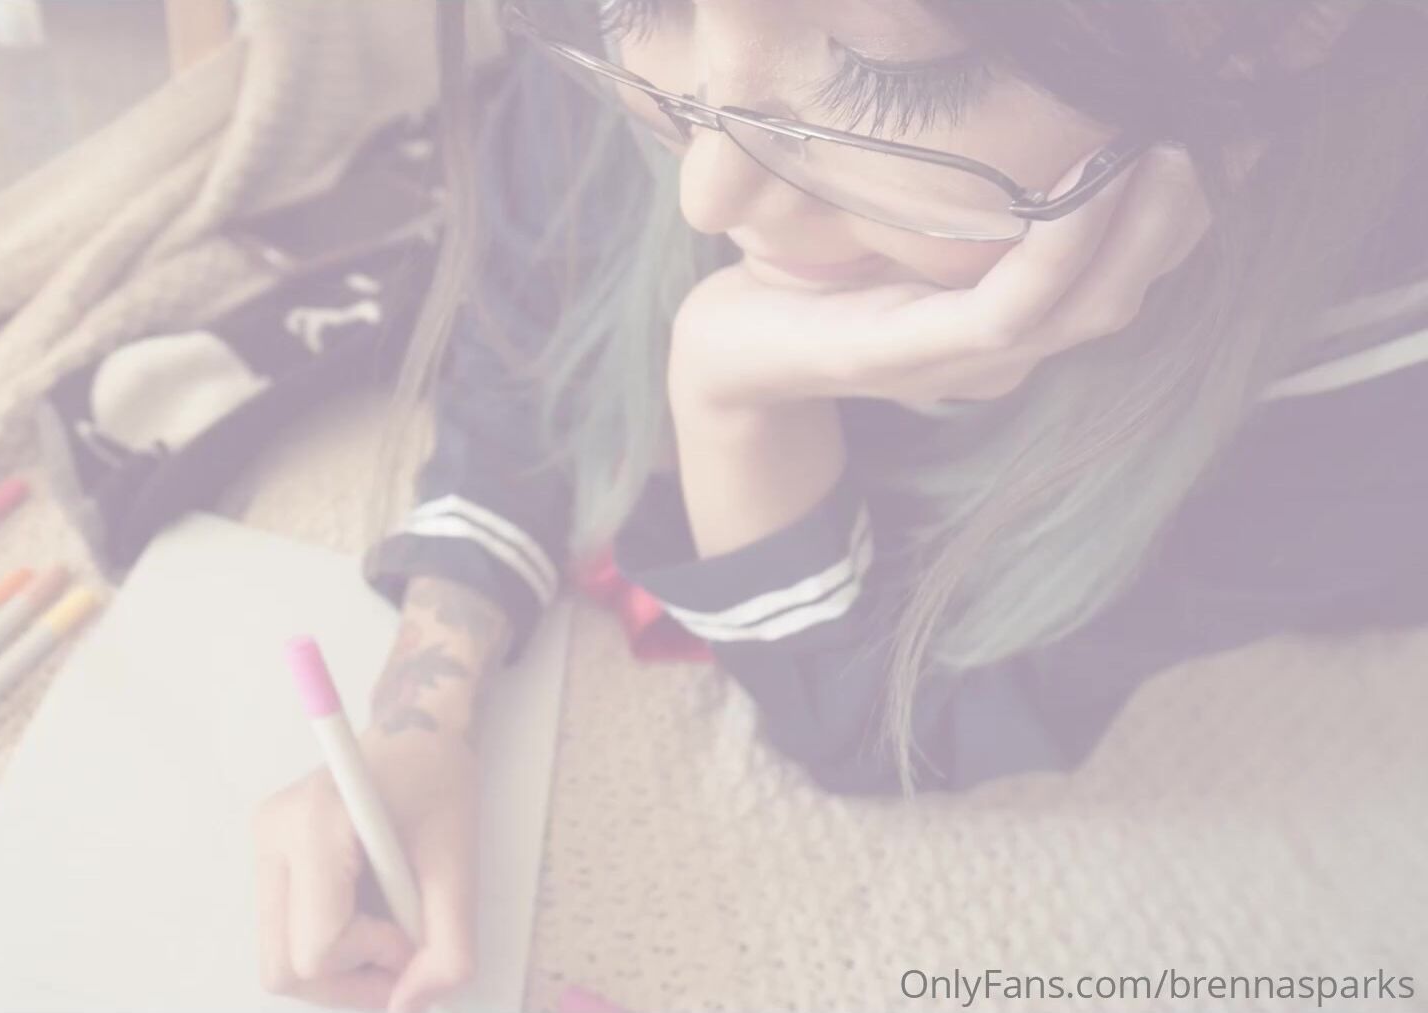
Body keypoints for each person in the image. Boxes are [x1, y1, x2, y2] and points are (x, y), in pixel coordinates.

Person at [253, 1, 1428, 1009]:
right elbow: (531, 322)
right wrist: (424, 709)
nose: (707, 192)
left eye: (888, 69)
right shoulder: (698, 64)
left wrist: (734, 395)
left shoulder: (1384, 364)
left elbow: (874, 718)